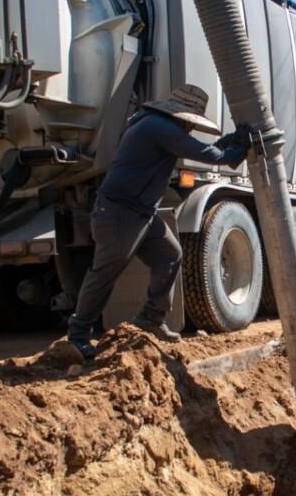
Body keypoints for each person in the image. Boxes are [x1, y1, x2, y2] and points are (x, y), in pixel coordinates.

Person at [67, 84, 249, 359]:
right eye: (189, 123)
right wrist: (238, 147)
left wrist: (231, 142)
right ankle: (77, 336)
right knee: (105, 272)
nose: (189, 129)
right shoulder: (158, 127)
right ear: (182, 117)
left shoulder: (157, 126)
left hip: (141, 213)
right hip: (120, 214)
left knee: (170, 255)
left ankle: (152, 319)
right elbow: (209, 155)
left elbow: (203, 149)